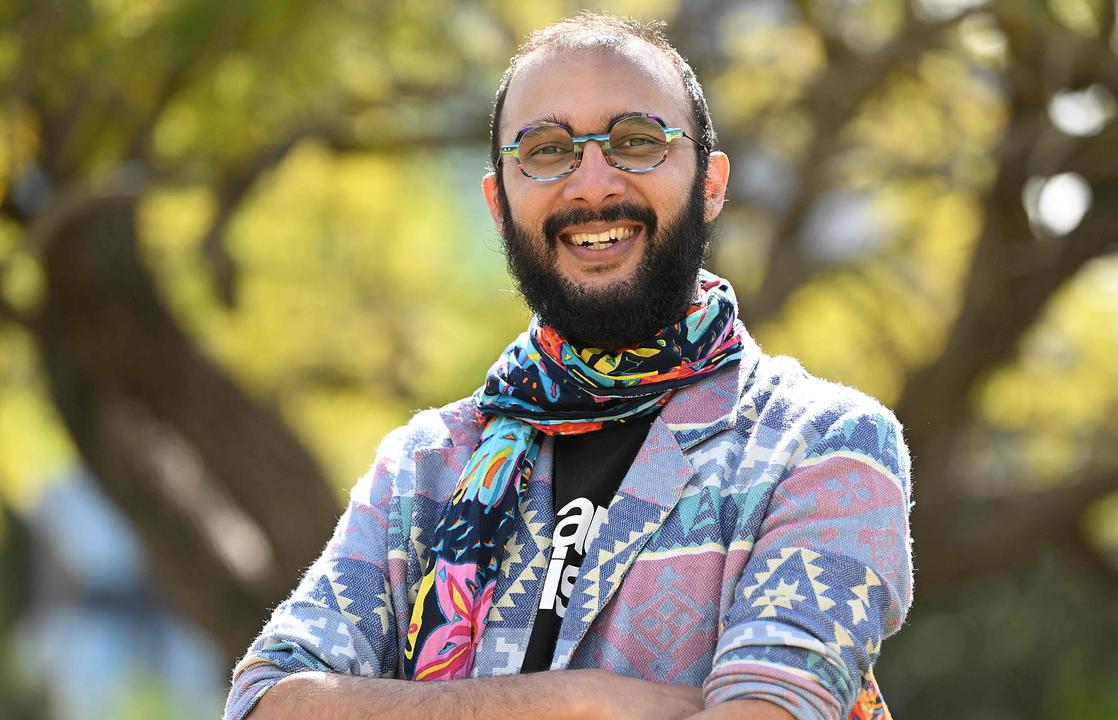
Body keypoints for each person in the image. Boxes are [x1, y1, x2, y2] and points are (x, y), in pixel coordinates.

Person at [225, 12, 912, 720]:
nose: (591, 184)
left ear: (710, 183)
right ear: (498, 204)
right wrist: (586, 702)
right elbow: (267, 703)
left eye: (637, 141)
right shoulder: (424, 469)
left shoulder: (823, 446)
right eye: (547, 151)